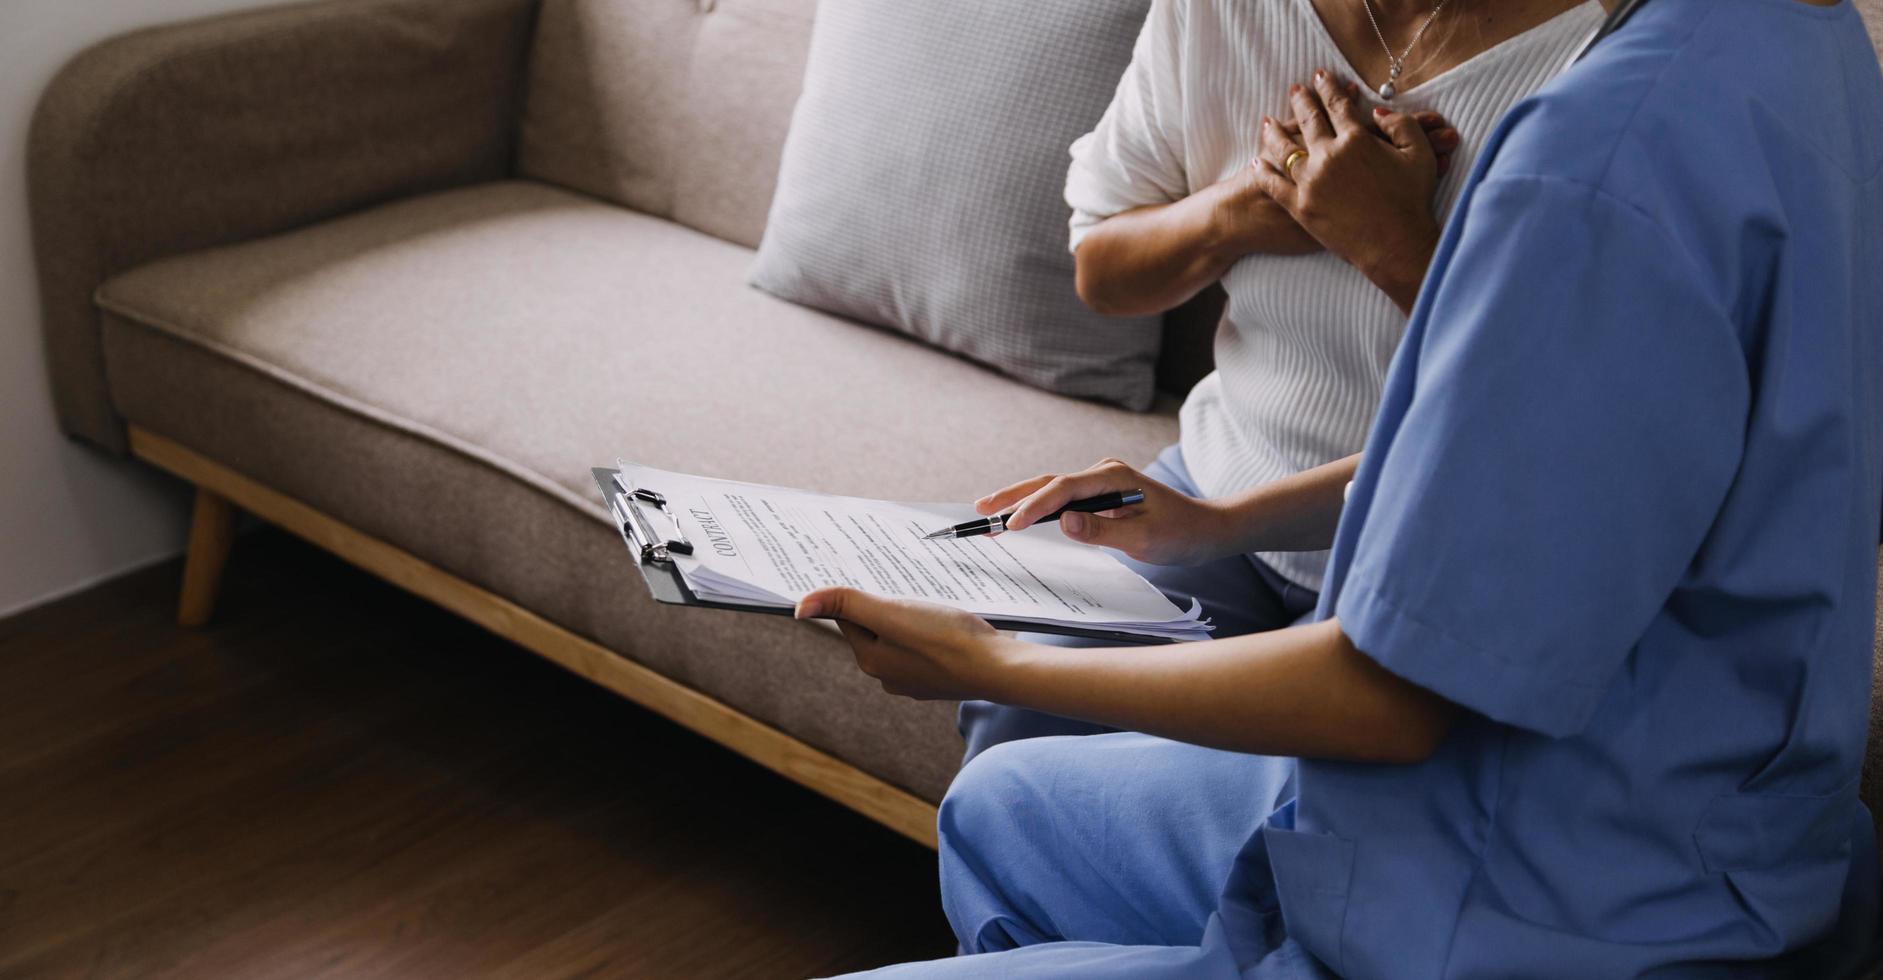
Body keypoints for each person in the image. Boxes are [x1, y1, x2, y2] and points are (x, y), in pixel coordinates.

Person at [804, 0, 1883, 975]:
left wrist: (990, 654)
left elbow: (1393, 695)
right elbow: (1568, 437)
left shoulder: (1585, 157)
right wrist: (1220, 518)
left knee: (1016, 770)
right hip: (1706, 813)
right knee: (1000, 799)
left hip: (1524, 874)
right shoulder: (1808, 46)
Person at [960, 0, 1607, 761]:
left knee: (1271, 795)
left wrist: (1393, 243)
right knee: (1015, 710)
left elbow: (1580, 418)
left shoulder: (1617, 57)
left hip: (1434, 555)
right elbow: (1103, 274)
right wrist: (1245, 209)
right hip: (1209, 491)